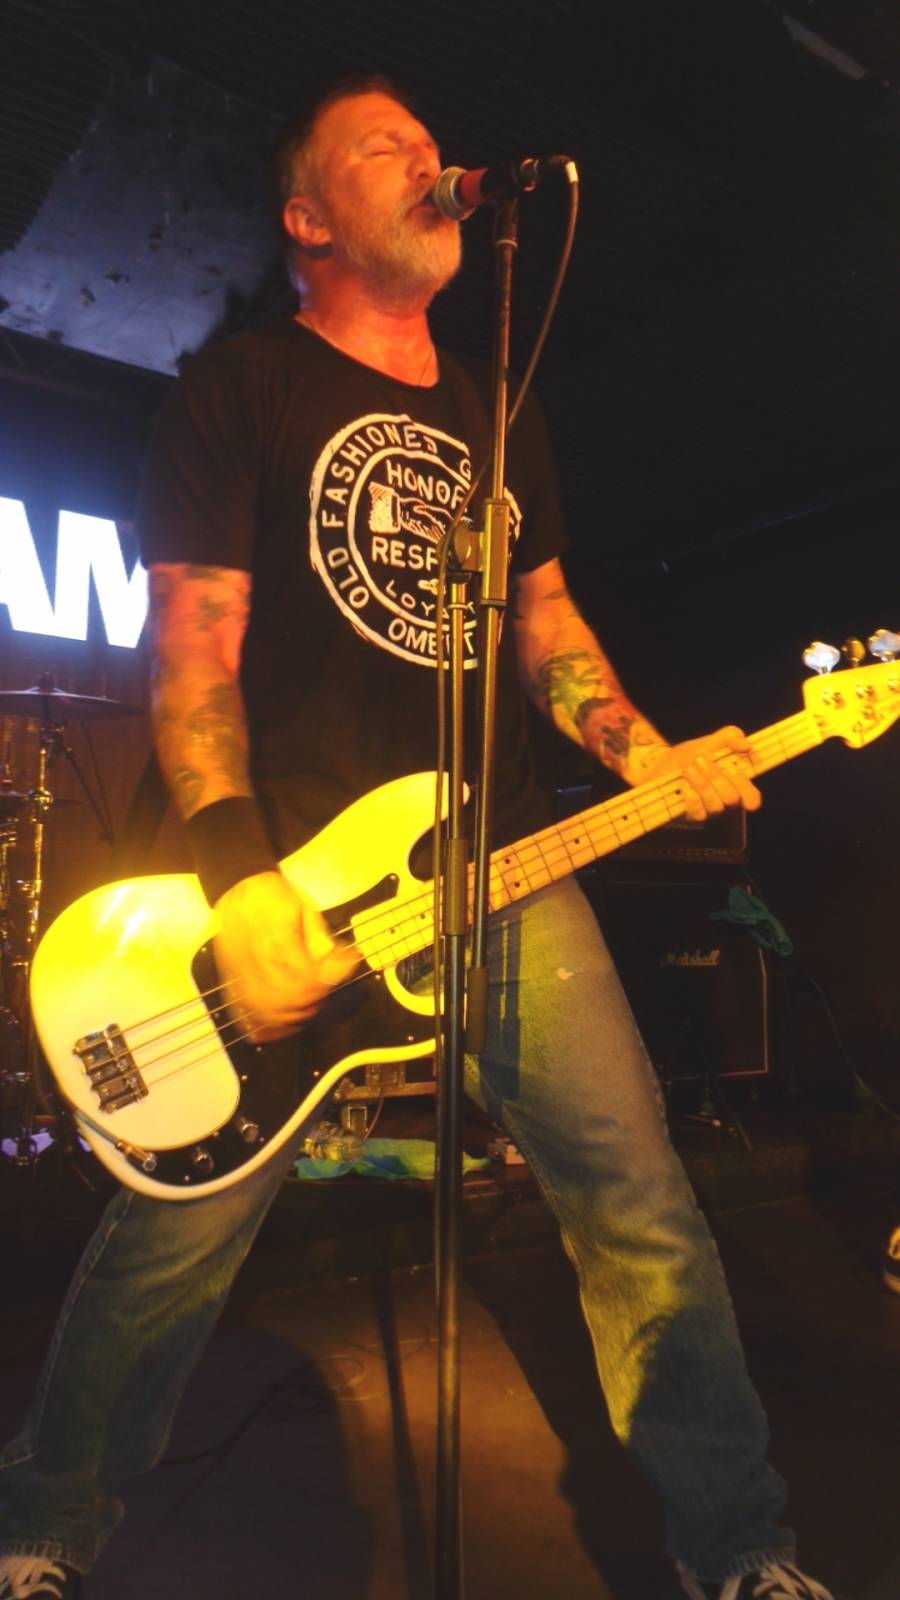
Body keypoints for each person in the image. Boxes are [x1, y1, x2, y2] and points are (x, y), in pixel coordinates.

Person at [0, 77, 843, 1600]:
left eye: (429, 143)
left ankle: (741, 1551)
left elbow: (547, 624)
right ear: (309, 219)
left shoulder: (497, 412)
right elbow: (193, 649)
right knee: (175, 1232)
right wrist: (241, 879)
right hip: (290, 871)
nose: (428, 159)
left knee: (638, 1201)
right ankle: (40, 1526)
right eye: (382, 147)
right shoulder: (240, 389)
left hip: (495, 861)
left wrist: (644, 751)